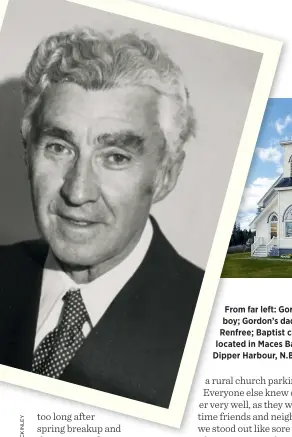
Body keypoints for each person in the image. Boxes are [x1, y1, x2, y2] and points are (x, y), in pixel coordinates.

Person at [0, 28, 204, 408]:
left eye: (116, 156)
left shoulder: (211, 324)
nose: (77, 192)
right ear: (27, 153)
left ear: (165, 176)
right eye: (59, 147)